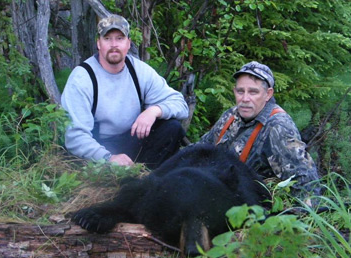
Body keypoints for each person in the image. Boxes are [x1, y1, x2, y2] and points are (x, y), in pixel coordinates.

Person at [61, 14, 189, 169]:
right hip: (97, 150)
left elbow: (180, 105)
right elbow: (75, 137)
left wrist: (153, 111)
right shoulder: (82, 78)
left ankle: (149, 180)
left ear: (128, 43)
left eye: (120, 38)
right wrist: (108, 158)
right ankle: (124, 181)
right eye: (107, 38)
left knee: (172, 128)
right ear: (99, 43)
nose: (114, 44)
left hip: (131, 139)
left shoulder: (139, 71)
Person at [198, 61, 321, 201]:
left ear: (268, 94)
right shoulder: (231, 115)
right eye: (240, 91)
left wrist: (299, 218)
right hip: (213, 189)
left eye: (253, 92)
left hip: (249, 206)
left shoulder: (278, 127)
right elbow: (201, 148)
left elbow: (306, 181)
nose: (245, 99)